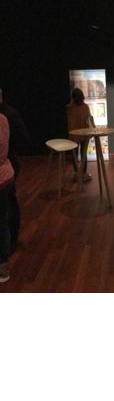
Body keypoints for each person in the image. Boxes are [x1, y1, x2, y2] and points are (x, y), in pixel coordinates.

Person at [0, 87, 31, 250]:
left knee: (7, 208)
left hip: (6, 167)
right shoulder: (6, 116)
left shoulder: (7, 116)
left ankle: (9, 245)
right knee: (8, 205)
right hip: (8, 166)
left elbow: (23, 139)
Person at [65, 87, 94, 183]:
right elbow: (89, 120)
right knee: (83, 154)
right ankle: (83, 173)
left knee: (75, 154)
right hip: (84, 135)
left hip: (74, 135)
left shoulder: (69, 107)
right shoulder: (85, 107)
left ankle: (77, 173)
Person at [0, 111, 15, 283]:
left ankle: (3, 268)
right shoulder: (3, 118)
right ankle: (3, 267)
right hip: (7, 175)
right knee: (3, 221)